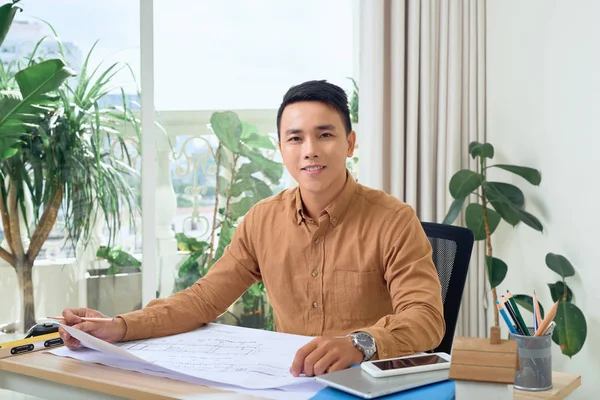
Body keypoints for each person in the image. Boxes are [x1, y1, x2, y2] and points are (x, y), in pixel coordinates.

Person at [59, 80, 445, 377]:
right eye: (296, 138)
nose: (309, 149)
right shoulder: (262, 220)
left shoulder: (393, 219)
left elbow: (426, 317)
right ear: (282, 149)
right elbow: (203, 300)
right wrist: (120, 327)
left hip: (369, 383)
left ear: (350, 143)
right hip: (291, 381)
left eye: (325, 134)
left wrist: (361, 344)